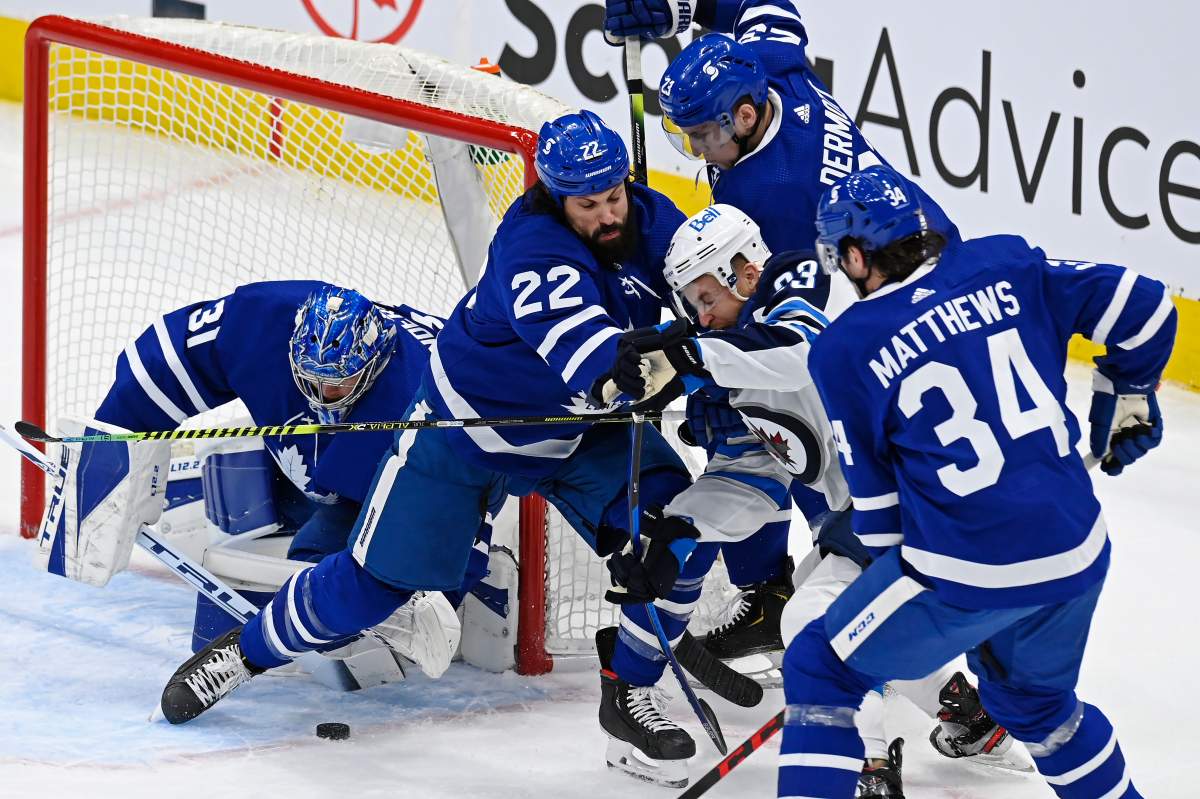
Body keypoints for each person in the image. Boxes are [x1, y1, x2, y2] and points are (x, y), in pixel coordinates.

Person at [154, 112, 716, 785]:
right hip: (466, 428)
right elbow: (585, 352)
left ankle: (629, 694)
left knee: (678, 529)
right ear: (555, 197)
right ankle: (243, 654)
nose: (606, 215)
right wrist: (641, 368)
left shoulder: (656, 222)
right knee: (371, 587)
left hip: (577, 433)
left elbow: (715, 298)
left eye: (614, 197)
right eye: (588, 204)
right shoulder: (532, 248)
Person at [771, 163, 1174, 799]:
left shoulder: (845, 346)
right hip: (1078, 549)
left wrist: (874, 617)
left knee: (820, 665)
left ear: (854, 255)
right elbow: (1148, 307)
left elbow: (882, 525)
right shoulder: (1007, 263)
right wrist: (1129, 391)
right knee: (1037, 710)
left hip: (968, 570)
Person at [606, 203, 1025, 795]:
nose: (701, 317)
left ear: (743, 271)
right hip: (889, 516)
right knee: (834, 603)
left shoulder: (799, 279)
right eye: (691, 307)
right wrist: (678, 534)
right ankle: (970, 719)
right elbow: (751, 474)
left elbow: (800, 350)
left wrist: (691, 354)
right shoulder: (733, 359)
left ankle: (868, 767)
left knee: (818, 625)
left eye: (705, 298)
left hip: (928, 500)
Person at [604, 0, 957, 665]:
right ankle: (774, 593)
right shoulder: (772, 67)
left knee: (815, 457)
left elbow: (779, 344)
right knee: (786, 434)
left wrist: (704, 376)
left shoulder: (773, 200)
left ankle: (941, 668)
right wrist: (682, 8)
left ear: (743, 116)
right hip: (900, 257)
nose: (697, 151)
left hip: (904, 309)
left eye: (701, 136)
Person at [36, 281, 468, 679]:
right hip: (340, 465)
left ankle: (384, 608)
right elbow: (162, 360)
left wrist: (414, 593)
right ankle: (203, 498)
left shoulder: (427, 407)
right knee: (234, 481)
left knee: (316, 580)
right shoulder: (261, 322)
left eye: (337, 386)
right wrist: (112, 445)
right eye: (310, 382)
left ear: (373, 367)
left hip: (387, 476)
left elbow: (465, 515)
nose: (321, 397)